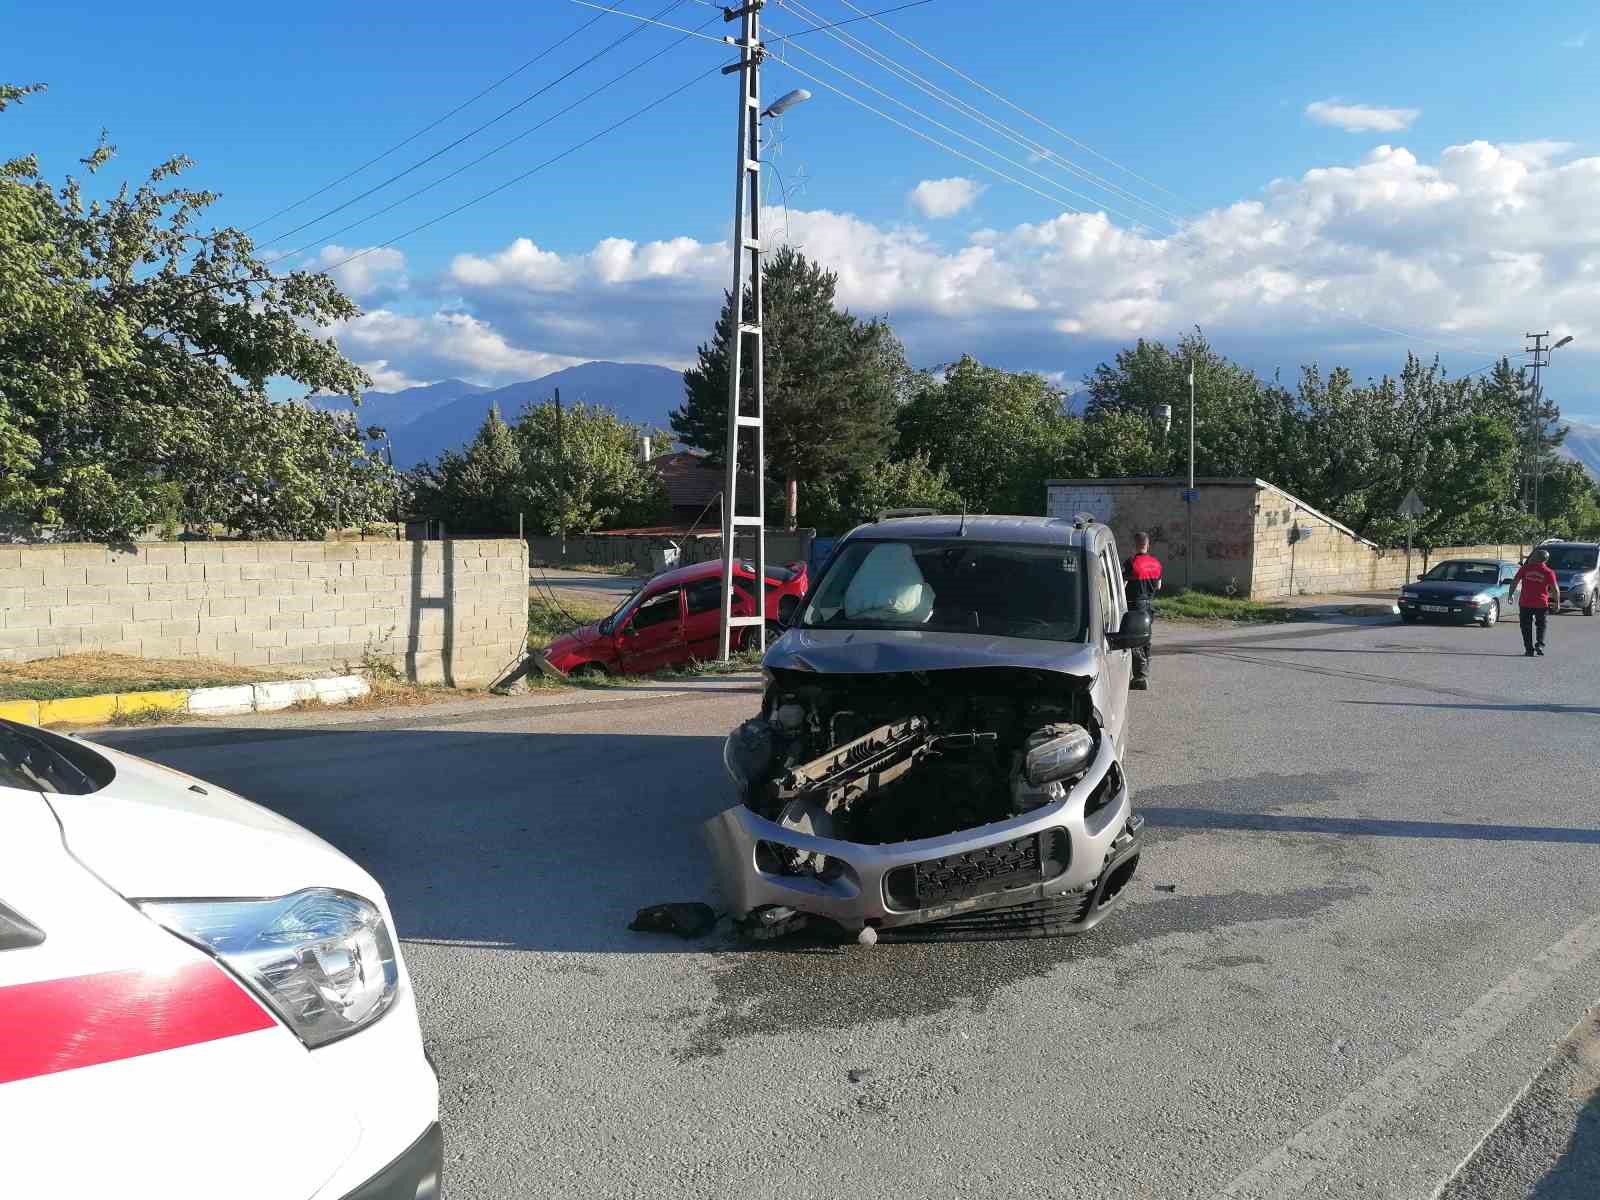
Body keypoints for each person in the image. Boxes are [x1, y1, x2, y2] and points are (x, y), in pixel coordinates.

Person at [1122, 532, 1162, 690]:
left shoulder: (1131, 562)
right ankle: (1144, 673)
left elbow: (1122, 582)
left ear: (1135, 544)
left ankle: (1140, 677)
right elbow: (1159, 586)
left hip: (1134, 604)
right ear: (1148, 544)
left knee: (1134, 640)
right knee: (1146, 639)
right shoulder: (1156, 563)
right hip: (1148, 606)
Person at [1511, 547, 1560, 657]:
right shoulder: (1548, 572)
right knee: (1541, 625)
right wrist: (1557, 603)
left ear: (1537, 558)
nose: (1531, 557)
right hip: (1541, 603)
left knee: (1525, 627)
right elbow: (1555, 589)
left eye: (1533, 555)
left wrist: (1511, 594)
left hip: (1525, 603)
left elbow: (1515, 581)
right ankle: (1539, 644)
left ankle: (1529, 649)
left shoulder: (1525, 568)